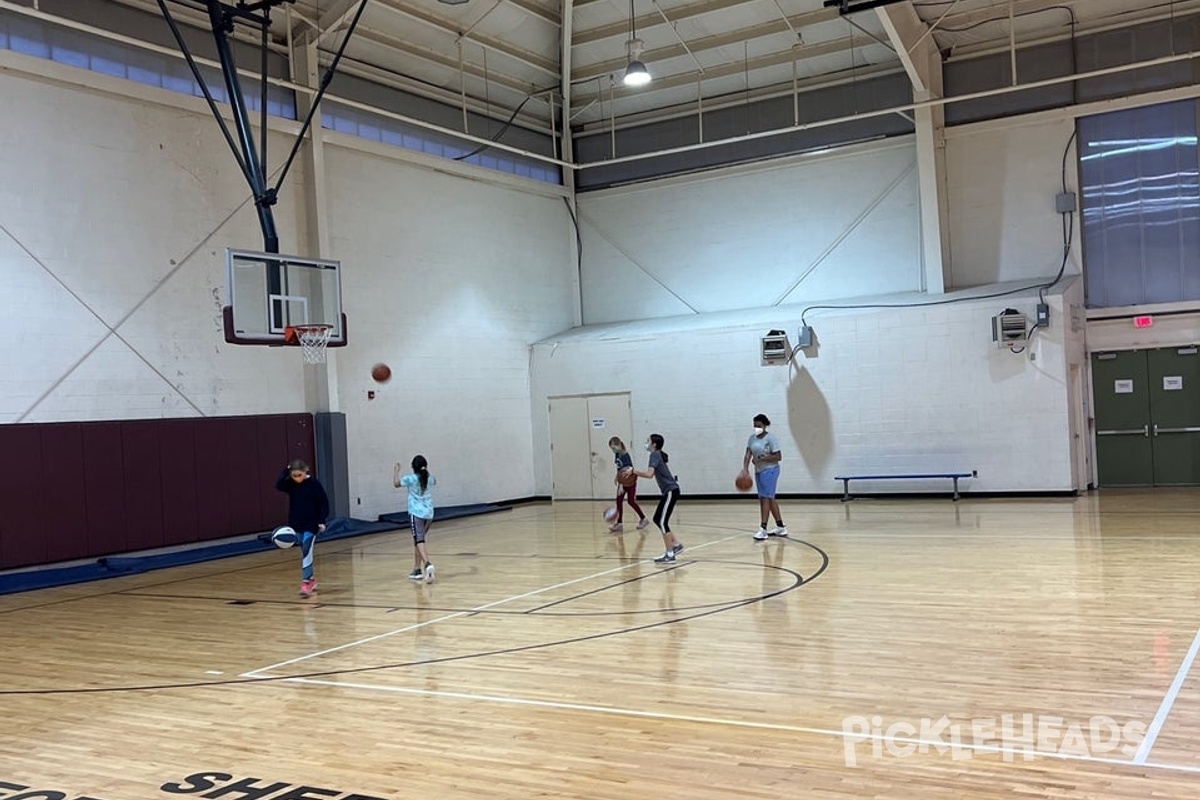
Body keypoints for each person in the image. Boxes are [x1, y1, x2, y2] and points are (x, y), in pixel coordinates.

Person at [275, 459, 329, 597]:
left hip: (312, 524)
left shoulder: (314, 484)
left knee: (306, 549)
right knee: (305, 551)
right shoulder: (291, 484)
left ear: (306, 471)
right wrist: (286, 470)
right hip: (296, 523)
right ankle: (311, 579)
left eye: (299, 475)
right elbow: (279, 485)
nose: (297, 478)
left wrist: (321, 521)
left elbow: (324, 503)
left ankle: (306, 583)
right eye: (294, 476)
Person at [633, 433, 684, 564]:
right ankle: (676, 544)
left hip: (671, 491)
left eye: (647, 441)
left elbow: (649, 474)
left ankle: (670, 554)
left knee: (662, 522)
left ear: (654, 444)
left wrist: (634, 472)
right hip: (670, 491)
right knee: (657, 519)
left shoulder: (654, 455)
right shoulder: (657, 454)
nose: (646, 443)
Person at [741, 413, 786, 540]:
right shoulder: (752, 438)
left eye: (759, 426)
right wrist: (745, 469)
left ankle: (763, 528)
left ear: (765, 425)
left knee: (765, 498)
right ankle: (781, 526)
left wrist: (763, 459)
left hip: (771, 470)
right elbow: (748, 454)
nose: (756, 428)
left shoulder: (771, 438)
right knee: (769, 498)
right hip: (759, 471)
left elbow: (778, 456)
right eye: (755, 426)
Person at [394, 455, 437, 583]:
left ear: (413, 467)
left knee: (419, 539)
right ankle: (417, 569)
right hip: (429, 513)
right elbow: (434, 481)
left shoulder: (411, 479)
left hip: (416, 513)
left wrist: (396, 471)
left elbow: (396, 484)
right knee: (418, 540)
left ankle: (427, 564)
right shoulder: (430, 478)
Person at [608, 436, 649, 533]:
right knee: (619, 501)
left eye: (614, 448)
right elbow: (619, 469)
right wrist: (616, 477)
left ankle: (643, 519)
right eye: (611, 449)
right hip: (622, 481)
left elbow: (627, 471)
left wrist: (621, 484)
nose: (613, 450)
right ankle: (619, 524)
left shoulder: (625, 455)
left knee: (631, 501)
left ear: (619, 445)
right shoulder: (617, 454)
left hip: (629, 481)